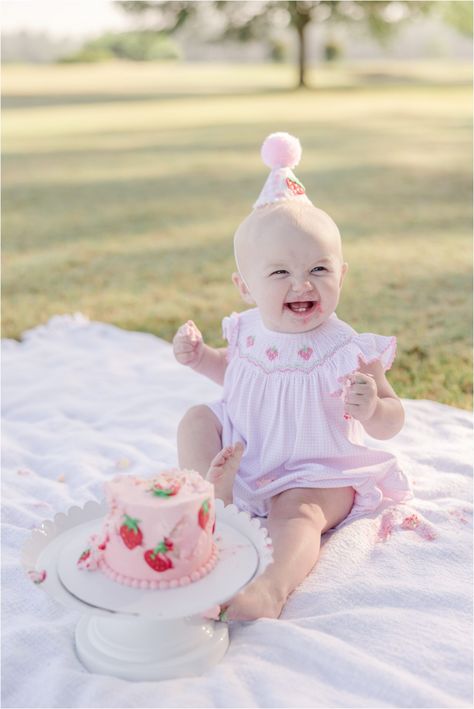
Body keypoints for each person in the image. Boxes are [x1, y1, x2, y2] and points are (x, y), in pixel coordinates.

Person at [173, 132, 412, 621]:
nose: (302, 284)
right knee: (197, 418)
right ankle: (210, 500)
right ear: (245, 287)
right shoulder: (246, 330)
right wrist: (200, 359)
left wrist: (373, 408)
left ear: (341, 276)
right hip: (242, 452)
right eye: (279, 273)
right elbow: (236, 374)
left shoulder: (349, 349)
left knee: (298, 517)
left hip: (315, 471)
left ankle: (270, 590)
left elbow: (392, 421)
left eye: (319, 269)